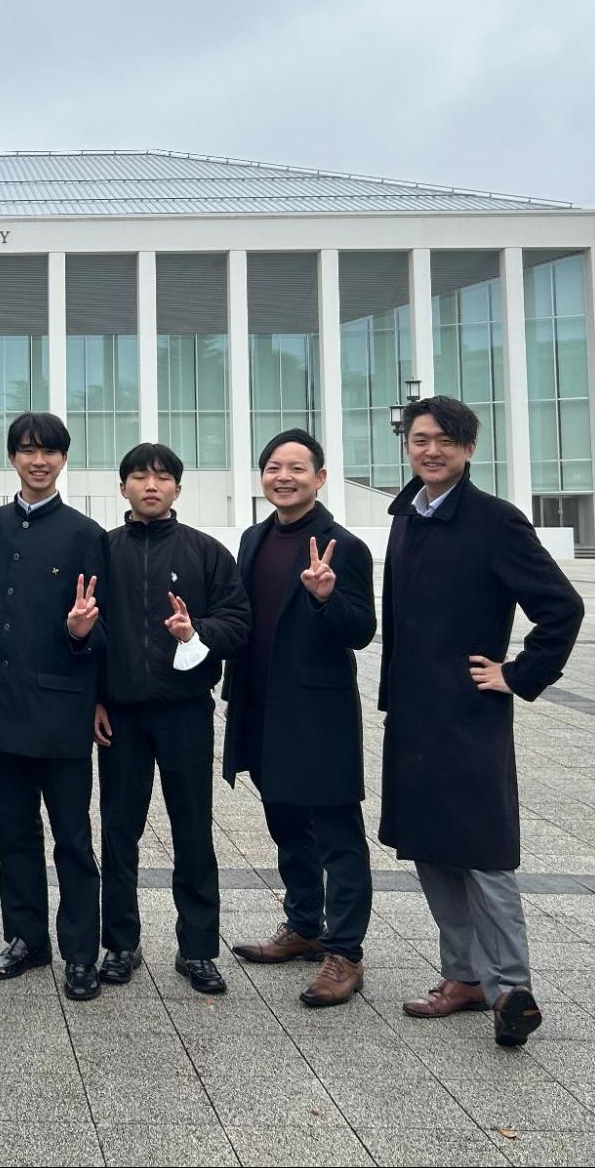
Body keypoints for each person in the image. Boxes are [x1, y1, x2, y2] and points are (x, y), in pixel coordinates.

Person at [381, 396, 584, 1049]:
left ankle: (510, 989)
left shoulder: (495, 521)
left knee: (483, 852)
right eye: (420, 439)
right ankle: (463, 976)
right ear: (407, 447)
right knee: (430, 849)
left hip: (470, 716)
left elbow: (561, 607)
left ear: (468, 449)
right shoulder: (406, 517)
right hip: (413, 716)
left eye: (445, 439)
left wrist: (517, 674)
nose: (431, 450)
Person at [225, 429, 377, 1008]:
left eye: (295, 468)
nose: (282, 477)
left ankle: (345, 952)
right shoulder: (254, 538)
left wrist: (325, 597)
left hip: (318, 712)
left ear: (320, 478)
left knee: (337, 834)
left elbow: (360, 632)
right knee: (285, 824)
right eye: (273, 467)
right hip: (261, 706)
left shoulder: (344, 546)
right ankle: (305, 925)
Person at [95, 441, 251, 996]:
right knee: (119, 829)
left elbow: (239, 622)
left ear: (178, 489)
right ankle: (120, 943)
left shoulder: (206, 552)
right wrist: (94, 699)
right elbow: (88, 628)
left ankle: (198, 949)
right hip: (119, 715)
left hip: (185, 711)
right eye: (139, 476)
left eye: (162, 477)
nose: (151, 485)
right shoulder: (103, 550)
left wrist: (196, 632)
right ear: (123, 488)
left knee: (193, 828)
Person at [0, 413, 107, 1001]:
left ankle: (81, 952)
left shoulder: (85, 534)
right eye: (27, 450)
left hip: (63, 712)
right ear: (12, 458)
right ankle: (26, 938)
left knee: (73, 838)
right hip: (3, 709)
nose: (38, 461)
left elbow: (105, 630)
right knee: (14, 834)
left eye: (49, 452)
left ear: (63, 460)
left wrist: (81, 632)